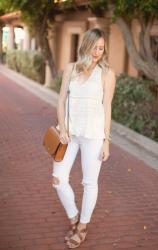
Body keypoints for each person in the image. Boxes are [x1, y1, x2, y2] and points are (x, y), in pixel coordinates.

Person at [52, 28, 115, 249]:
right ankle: (74, 217)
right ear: (85, 45)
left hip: (94, 135)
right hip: (69, 134)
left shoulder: (107, 74)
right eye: (94, 46)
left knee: (90, 183)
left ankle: (82, 226)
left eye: (101, 47)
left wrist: (106, 140)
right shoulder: (71, 69)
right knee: (58, 179)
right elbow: (61, 100)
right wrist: (62, 129)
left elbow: (107, 107)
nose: (98, 51)